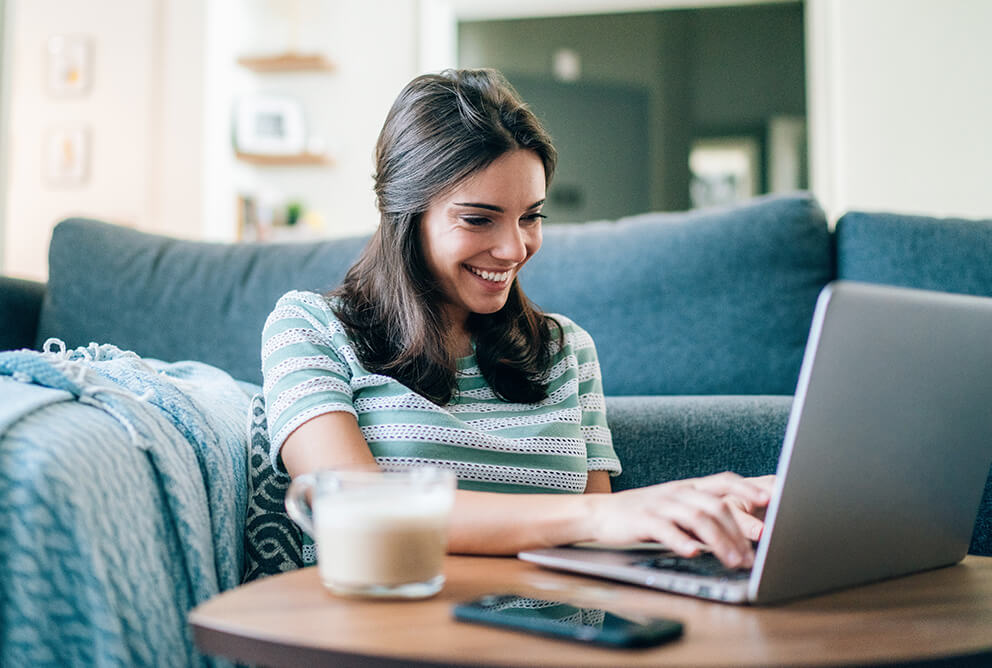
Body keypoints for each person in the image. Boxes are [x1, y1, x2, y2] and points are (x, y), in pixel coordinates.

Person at [261, 68, 772, 569]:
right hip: (391, 636)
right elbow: (354, 510)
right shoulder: (310, 329)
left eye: (531, 216)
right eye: (479, 219)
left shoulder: (566, 349)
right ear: (404, 213)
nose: (514, 248)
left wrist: (693, 520)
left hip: (562, 640)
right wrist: (601, 513)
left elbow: (600, 549)